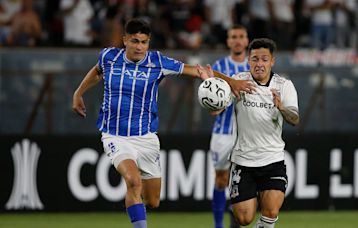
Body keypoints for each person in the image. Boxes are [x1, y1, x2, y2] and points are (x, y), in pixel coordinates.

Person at [72, 18, 254, 228]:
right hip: (115, 136)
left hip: (146, 137)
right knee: (133, 181)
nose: (139, 47)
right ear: (125, 40)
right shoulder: (109, 56)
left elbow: (196, 70)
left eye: (144, 42)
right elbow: (97, 71)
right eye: (135, 41)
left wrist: (231, 82)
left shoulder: (157, 62)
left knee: (153, 201)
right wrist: (78, 93)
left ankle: (136, 201)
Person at [201, 38, 299, 228]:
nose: (259, 64)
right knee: (244, 219)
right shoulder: (239, 81)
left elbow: (294, 119)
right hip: (243, 161)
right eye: (255, 59)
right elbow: (216, 110)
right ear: (248, 60)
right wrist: (211, 94)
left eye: (264, 59)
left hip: (272, 160)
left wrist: (282, 108)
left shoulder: (284, 85)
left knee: (271, 211)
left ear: (272, 61)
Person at [209, 24, 249, 228]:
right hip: (222, 133)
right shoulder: (219, 67)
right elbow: (210, 104)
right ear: (228, 41)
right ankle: (218, 225)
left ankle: (236, 224)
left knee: (243, 180)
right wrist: (215, 106)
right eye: (233, 36)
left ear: (247, 40)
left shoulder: (254, 67)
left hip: (247, 135)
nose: (237, 40)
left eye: (241, 36)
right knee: (221, 180)